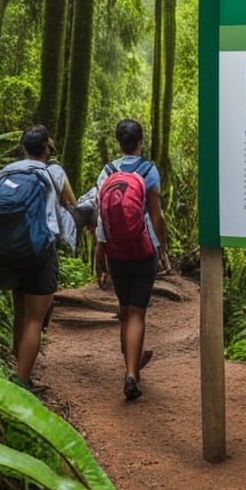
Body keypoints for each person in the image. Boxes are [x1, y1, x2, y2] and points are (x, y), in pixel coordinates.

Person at [0, 125, 76, 391]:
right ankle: (22, 381)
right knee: (34, 320)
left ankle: (16, 369)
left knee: (20, 314)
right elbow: (72, 203)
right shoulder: (53, 172)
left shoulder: (6, 172)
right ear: (47, 147)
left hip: (9, 251)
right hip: (41, 250)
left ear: (23, 147)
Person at [95, 118, 170, 400]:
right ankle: (131, 373)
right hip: (143, 248)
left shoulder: (107, 171)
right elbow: (156, 214)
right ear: (141, 141)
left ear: (119, 142)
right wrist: (161, 247)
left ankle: (129, 367)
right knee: (138, 312)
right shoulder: (149, 170)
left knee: (124, 309)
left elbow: (101, 215)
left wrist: (100, 250)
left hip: (115, 249)